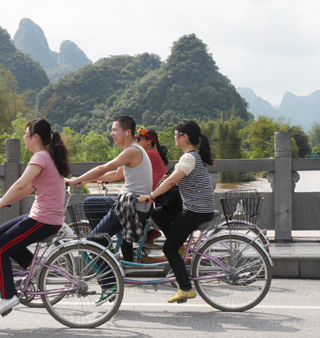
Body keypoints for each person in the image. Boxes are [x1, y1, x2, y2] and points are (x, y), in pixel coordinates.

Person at [0, 118, 70, 318]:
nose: (24, 138)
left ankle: (7, 297)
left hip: (44, 220)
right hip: (44, 217)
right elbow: (29, 188)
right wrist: (4, 202)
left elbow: (20, 184)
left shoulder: (40, 157)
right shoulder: (48, 157)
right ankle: (35, 266)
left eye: (25, 134)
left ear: (36, 137)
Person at [138, 119, 216, 303]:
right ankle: (179, 247)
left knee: (168, 247)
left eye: (176, 133)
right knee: (158, 213)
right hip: (198, 208)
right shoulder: (193, 157)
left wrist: (150, 195)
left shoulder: (189, 157)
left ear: (184, 137)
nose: (174, 136)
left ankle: (186, 288)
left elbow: (171, 182)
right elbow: (172, 179)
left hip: (196, 210)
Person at [67, 116, 153, 264]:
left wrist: (74, 180)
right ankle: (106, 244)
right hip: (130, 202)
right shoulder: (133, 150)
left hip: (132, 206)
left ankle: (110, 280)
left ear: (127, 132)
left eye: (114, 130)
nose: (112, 133)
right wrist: (88, 180)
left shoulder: (132, 151)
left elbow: (104, 168)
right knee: (90, 203)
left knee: (92, 242)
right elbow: (117, 174)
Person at [134, 126, 169, 243]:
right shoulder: (150, 153)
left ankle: (149, 232)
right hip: (152, 192)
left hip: (153, 193)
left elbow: (132, 168)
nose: (136, 142)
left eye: (139, 140)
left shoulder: (150, 153)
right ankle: (148, 231)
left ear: (149, 142)